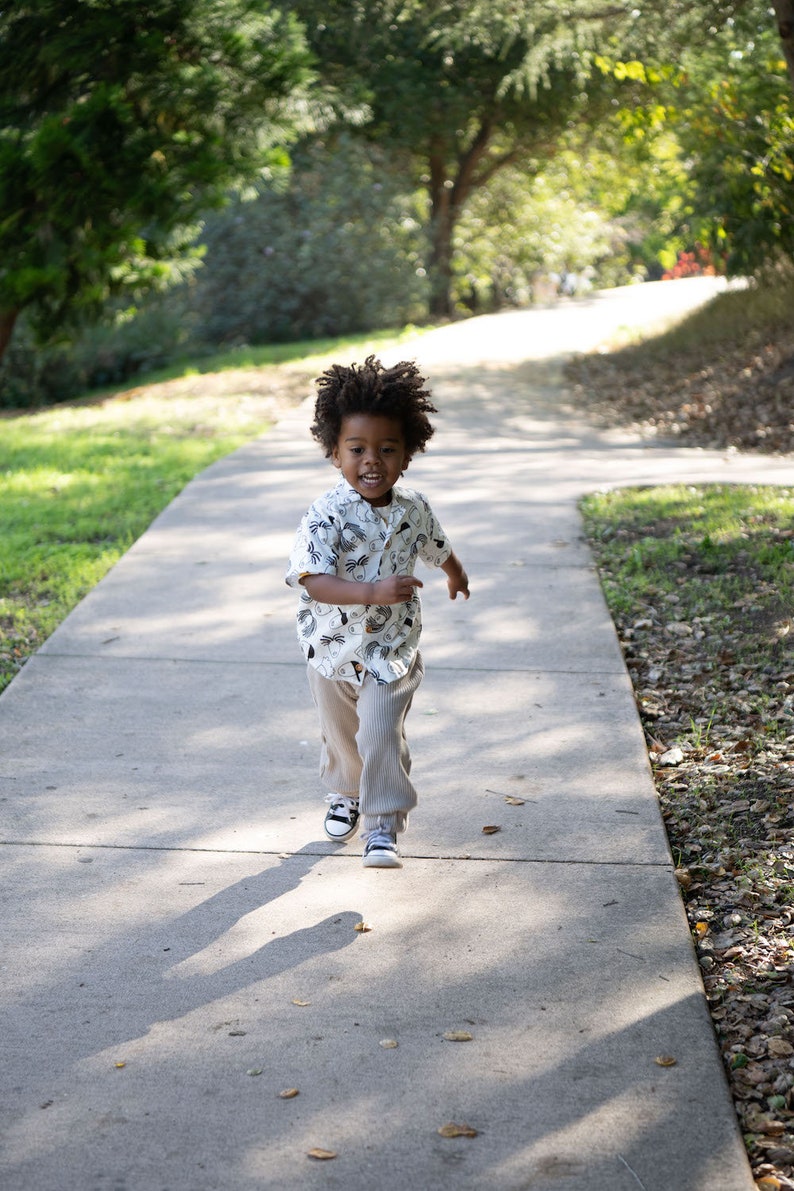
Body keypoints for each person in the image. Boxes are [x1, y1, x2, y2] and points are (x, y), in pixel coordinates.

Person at [285, 355, 469, 869]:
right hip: (330, 648)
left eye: (387, 450)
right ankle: (346, 791)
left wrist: (455, 573)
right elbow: (313, 581)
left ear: (407, 455)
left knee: (380, 729)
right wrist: (371, 591)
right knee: (344, 733)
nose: (372, 461)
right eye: (357, 449)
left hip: (392, 648)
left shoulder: (414, 508)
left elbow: (437, 545)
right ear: (335, 453)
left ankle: (382, 827)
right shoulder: (324, 514)